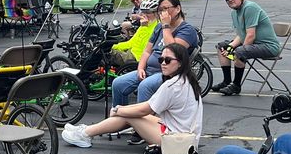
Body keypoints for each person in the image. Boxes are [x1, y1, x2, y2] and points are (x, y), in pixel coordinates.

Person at [62, 42, 203, 147]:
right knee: (129, 113)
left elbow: (144, 110)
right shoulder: (186, 80)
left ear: (180, 63)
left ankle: (85, 134)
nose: (163, 64)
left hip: (178, 142)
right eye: (161, 59)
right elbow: (148, 106)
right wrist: (120, 109)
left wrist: (119, 110)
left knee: (130, 115)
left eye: (168, 60)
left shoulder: (172, 86)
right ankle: (86, 131)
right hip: (186, 136)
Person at [110, 0, 200, 144]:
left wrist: (166, 25)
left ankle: (140, 130)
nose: (163, 13)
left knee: (145, 86)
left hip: (168, 73)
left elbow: (172, 49)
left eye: (166, 9)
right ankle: (121, 121)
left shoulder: (187, 30)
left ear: (177, 9)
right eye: (160, 10)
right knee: (118, 83)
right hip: (149, 69)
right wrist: (140, 68)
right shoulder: (158, 27)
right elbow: (147, 51)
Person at [211, 0, 283, 96]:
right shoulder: (234, 13)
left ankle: (236, 85)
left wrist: (236, 51)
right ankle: (227, 81)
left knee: (240, 52)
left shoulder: (250, 7)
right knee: (221, 46)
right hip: (254, 44)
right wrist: (230, 48)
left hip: (268, 46)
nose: (230, 0)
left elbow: (250, 36)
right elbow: (241, 35)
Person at [108, 0, 159, 68]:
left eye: (148, 12)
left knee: (106, 53)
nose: (144, 15)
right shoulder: (145, 25)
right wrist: (113, 46)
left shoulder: (158, 28)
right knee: (104, 48)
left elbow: (146, 48)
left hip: (136, 58)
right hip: (131, 53)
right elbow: (131, 43)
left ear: (156, 13)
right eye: (143, 12)